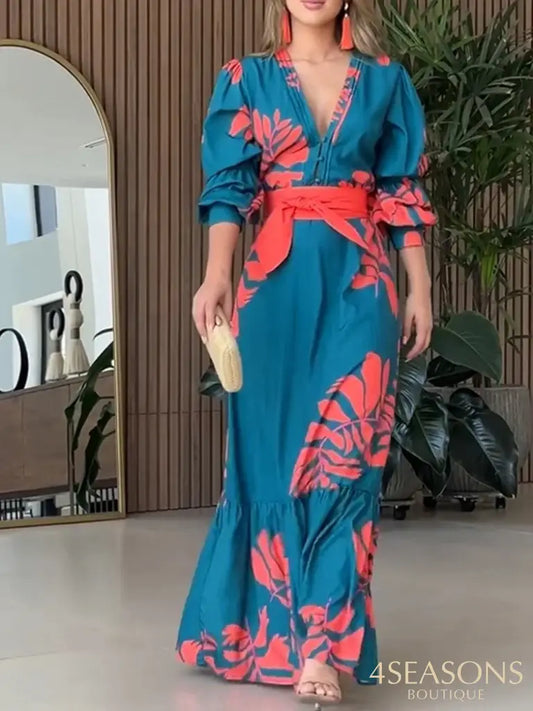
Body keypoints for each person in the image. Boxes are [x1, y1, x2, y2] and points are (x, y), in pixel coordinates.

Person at [177, 0, 436, 704]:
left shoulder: (385, 80)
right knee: (267, 457)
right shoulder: (245, 78)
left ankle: (320, 645)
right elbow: (230, 188)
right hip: (272, 289)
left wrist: (419, 286)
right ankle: (260, 634)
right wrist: (217, 275)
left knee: (347, 456)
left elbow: (399, 189)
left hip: (361, 284)